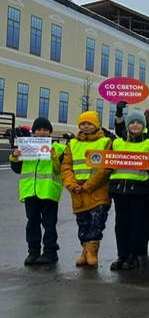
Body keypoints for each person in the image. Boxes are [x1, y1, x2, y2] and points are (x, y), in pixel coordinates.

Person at [60, 111, 113, 268]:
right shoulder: (72, 143)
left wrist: (89, 185)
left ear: (96, 125)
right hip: (77, 191)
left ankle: (92, 252)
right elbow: (66, 166)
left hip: (97, 190)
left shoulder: (105, 142)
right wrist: (71, 184)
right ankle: (85, 251)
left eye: (89, 123)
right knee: (82, 223)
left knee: (96, 222)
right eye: (83, 123)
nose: (86, 126)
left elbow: (106, 168)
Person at [117, 103, 149, 258]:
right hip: (143, 180)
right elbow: (121, 132)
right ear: (147, 118)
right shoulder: (141, 133)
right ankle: (142, 243)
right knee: (142, 214)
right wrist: (119, 114)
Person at [12, 117, 65, 265]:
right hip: (30, 191)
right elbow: (17, 169)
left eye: (45, 130)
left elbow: (59, 170)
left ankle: (50, 252)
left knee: (49, 224)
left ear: (50, 132)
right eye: (39, 129)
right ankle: (33, 252)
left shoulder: (58, 148)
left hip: (48, 191)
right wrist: (14, 157)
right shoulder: (26, 146)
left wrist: (55, 157)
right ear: (34, 131)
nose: (42, 132)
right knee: (32, 222)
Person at [108, 110, 149, 270]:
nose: (135, 125)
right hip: (119, 189)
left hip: (139, 190)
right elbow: (108, 161)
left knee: (136, 224)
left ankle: (133, 256)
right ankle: (122, 255)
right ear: (128, 125)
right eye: (132, 122)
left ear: (143, 126)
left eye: (139, 123)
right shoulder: (117, 143)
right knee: (120, 224)